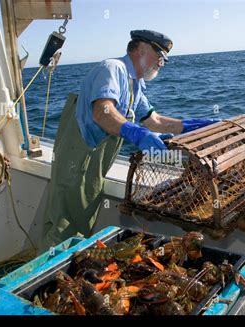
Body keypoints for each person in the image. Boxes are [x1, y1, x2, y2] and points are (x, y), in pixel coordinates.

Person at [42, 30, 220, 248]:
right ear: (142, 49)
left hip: (96, 159)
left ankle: (63, 267)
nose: (162, 64)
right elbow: (102, 111)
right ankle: (44, 277)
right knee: (64, 222)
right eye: (160, 57)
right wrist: (136, 133)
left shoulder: (135, 84)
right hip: (78, 155)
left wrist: (192, 126)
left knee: (83, 214)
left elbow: (154, 121)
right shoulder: (112, 68)